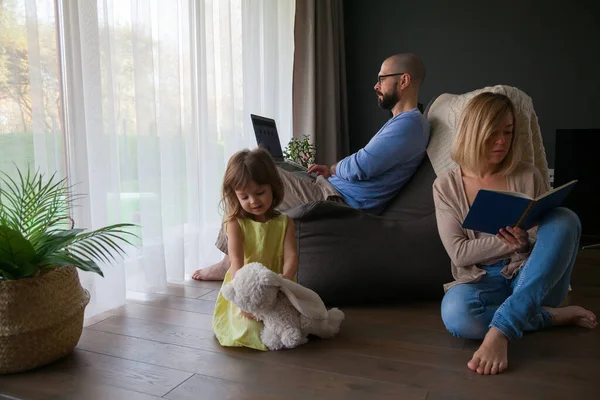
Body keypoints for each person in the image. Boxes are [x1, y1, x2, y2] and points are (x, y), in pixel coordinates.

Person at [193, 52, 430, 280]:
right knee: (277, 165)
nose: (376, 86)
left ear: (404, 80)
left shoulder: (408, 125)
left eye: (381, 78)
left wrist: (333, 168)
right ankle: (240, 255)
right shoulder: (402, 124)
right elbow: (364, 162)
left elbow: (361, 165)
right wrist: (329, 170)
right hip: (330, 187)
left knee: (246, 172)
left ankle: (228, 263)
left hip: (337, 198)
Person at [433, 92, 597, 375]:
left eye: (508, 132)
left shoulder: (527, 174)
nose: (502, 141)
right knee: (456, 314)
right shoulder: (445, 186)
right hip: (481, 280)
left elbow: (543, 241)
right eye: (492, 134)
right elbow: (459, 253)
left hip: (533, 275)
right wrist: (508, 242)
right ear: (473, 133)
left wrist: (522, 247)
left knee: (564, 218)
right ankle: (548, 317)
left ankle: (502, 330)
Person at [211, 147, 298, 350]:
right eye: (245, 197)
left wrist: (284, 282)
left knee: (290, 322)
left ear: (273, 188)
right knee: (251, 331)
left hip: (278, 285)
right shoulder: (235, 223)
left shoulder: (285, 222)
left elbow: (291, 256)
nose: (254, 201)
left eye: (260, 193)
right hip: (247, 289)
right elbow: (237, 264)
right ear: (235, 196)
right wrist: (245, 301)